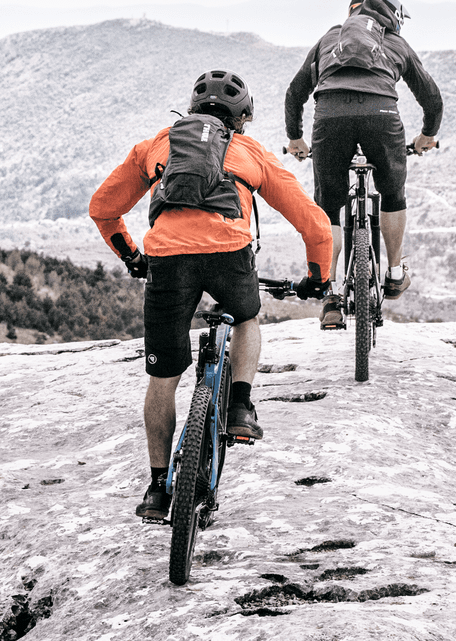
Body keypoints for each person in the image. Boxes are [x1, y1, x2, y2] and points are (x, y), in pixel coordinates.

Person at [90, 70, 333, 520]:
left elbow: (103, 208)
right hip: (229, 254)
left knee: (163, 377)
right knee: (246, 318)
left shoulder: (157, 145)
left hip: (167, 259)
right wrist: (318, 277)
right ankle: (240, 406)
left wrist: (133, 256)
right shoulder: (249, 151)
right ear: (242, 119)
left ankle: (158, 488)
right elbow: (314, 222)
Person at [284, 0, 443, 327]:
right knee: (393, 194)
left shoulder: (329, 40)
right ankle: (396, 272)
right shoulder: (396, 43)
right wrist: (427, 135)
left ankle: (330, 297)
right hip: (382, 117)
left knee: (329, 206)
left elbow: (295, 93)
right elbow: (431, 98)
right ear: (394, 16)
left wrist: (296, 138)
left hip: (329, 118)